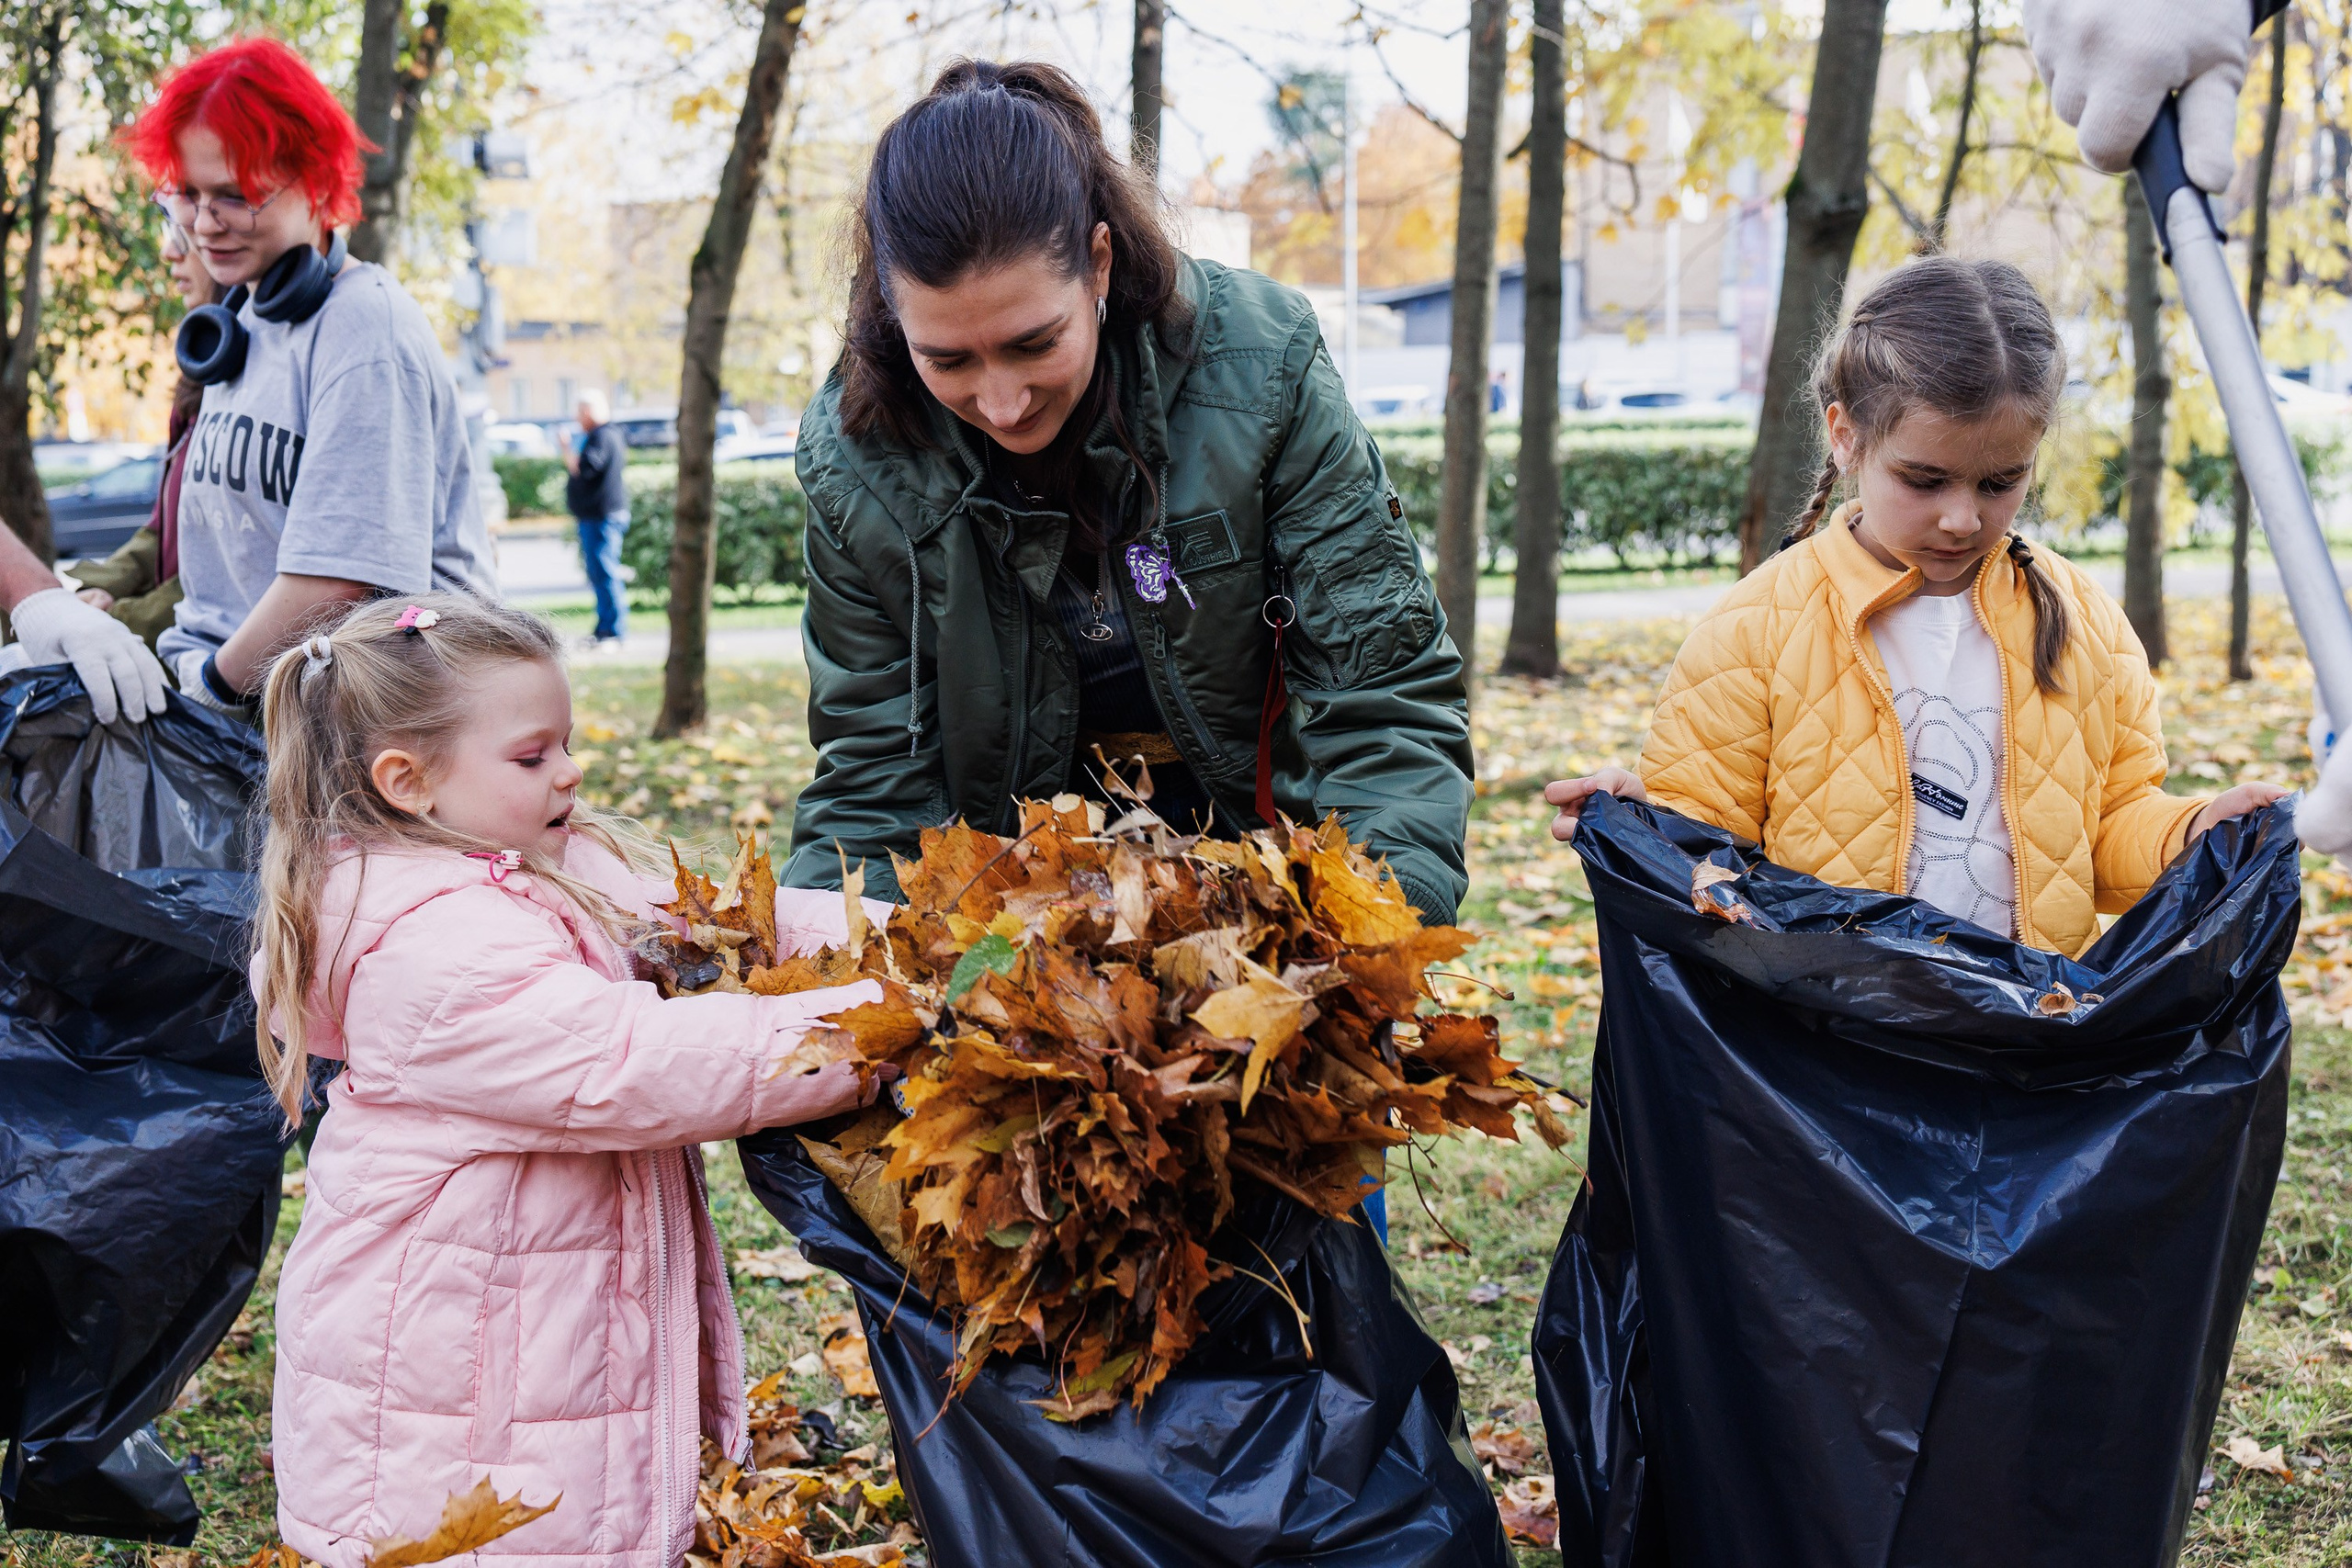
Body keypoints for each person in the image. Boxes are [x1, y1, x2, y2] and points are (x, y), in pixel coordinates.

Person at [248, 592, 890, 1567]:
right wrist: (890, 1025)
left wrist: (912, 935)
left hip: (537, 1358)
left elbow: (718, 926)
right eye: (533, 755)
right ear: (407, 781)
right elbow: (634, 1065)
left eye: (566, 744)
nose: (571, 770)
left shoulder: (539, 858)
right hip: (462, 1407)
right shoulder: (436, 951)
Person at [787, 59, 1474, 933]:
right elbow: (875, 782)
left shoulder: (1263, 368)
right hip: (1008, 932)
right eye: (948, 360)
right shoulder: (857, 461)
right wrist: (863, 993)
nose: (1001, 402)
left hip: (1268, 893)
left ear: (1099, 264)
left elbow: (1379, 700)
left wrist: (1368, 934)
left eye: (1035, 343)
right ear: (892, 313)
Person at [1544, 257, 2284, 955]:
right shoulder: (1754, 629)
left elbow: (2106, 834)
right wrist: (1641, 821)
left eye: (2000, 483)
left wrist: (2191, 833)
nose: (1963, 518)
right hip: (1830, 1053)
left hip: (2027, 1046)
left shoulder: (2084, 622)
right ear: (1845, 436)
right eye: (1925, 481)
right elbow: (1706, 850)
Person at [124, 39, 493, 716]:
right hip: (255, 714)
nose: (204, 225)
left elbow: (336, 580)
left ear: (317, 184)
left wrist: (210, 690)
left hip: (350, 735)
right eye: (188, 194)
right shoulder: (243, 321)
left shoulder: (364, 331)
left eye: (235, 196)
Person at [72, 205, 221, 647]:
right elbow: (161, 531)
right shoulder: (199, 375)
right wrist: (96, 589)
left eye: (182, 231)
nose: (169, 251)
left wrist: (119, 616)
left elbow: (238, 567)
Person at [562, 388, 629, 646]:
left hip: (601, 517)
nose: (577, 418)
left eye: (579, 412)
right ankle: (605, 629)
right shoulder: (609, 434)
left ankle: (613, 631)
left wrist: (567, 449)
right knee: (601, 574)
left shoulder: (602, 436)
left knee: (605, 573)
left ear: (588, 411)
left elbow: (586, 469)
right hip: (601, 516)